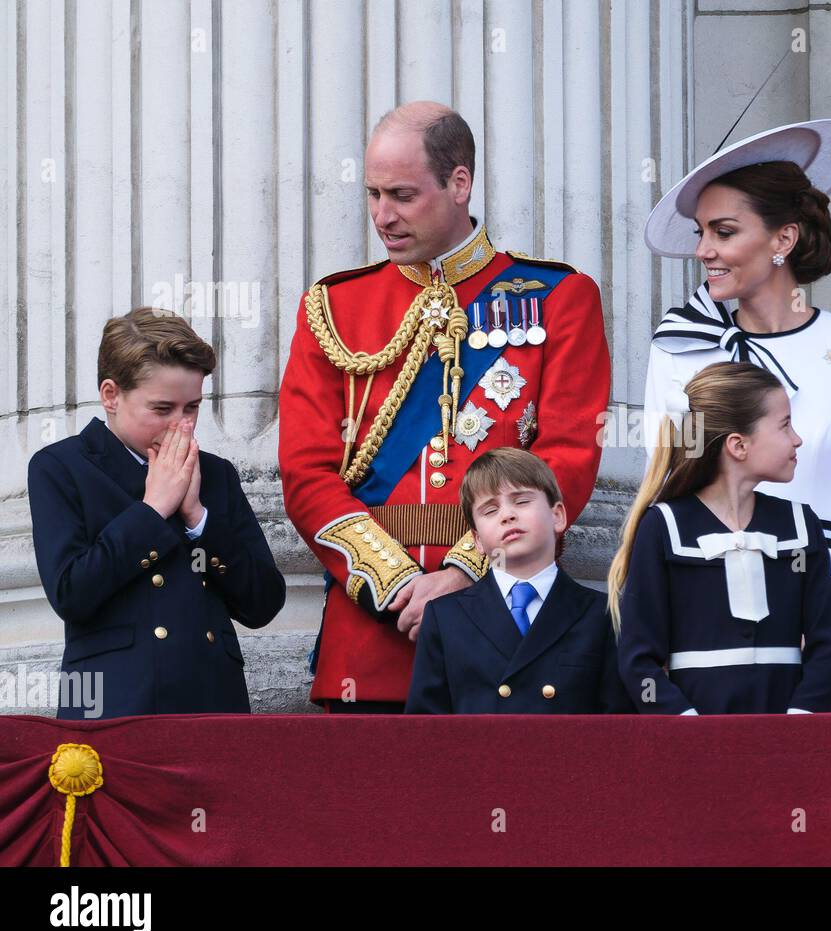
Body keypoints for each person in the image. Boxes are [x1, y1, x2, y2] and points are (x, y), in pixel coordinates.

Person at [279, 101, 610, 713]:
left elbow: (566, 454)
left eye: (402, 195)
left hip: (504, 637)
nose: (383, 216)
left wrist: (462, 576)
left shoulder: (559, 298)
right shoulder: (333, 307)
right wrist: (398, 585)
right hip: (372, 639)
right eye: (374, 194)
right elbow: (305, 473)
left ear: (460, 183)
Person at [640, 119, 831, 712]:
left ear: (782, 239)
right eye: (701, 231)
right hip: (705, 625)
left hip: (823, 619)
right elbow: (664, 493)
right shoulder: (679, 352)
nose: (703, 249)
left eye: (724, 231)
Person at [27, 309, 285, 719]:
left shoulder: (216, 473)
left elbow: (264, 603)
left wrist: (198, 517)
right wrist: (153, 510)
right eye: (162, 408)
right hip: (113, 703)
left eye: (192, 408)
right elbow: (71, 593)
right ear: (111, 395)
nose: (181, 426)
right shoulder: (61, 466)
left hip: (212, 701)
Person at [610, 362, 831, 715]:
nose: (797, 439)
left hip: (789, 742)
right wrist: (686, 726)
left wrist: (802, 719)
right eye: (784, 425)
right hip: (694, 746)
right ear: (738, 445)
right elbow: (638, 661)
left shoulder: (800, 523)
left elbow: (825, 645)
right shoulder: (664, 526)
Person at [405, 449, 628, 714]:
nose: (507, 515)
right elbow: (425, 731)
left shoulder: (604, 614)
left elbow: (620, 729)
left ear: (557, 516)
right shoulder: (444, 617)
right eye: (490, 509)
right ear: (476, 540)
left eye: (521, 501)